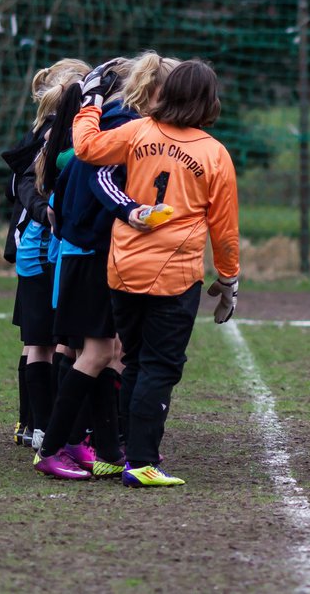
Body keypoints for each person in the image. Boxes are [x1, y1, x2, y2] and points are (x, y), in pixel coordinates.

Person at [72, 59, 240, 487]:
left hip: (123, 266)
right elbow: (224, 229)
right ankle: (142, 460)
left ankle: (123, 450)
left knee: (134, 361)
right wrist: (229, 278)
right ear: (208, 100)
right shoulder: (214, 154)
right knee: (160, 367)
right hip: (175, 274)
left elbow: (86, 148)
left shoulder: (138, 130)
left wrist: (89, 102)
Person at [32, 53, 177, 481]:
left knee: (108, 351)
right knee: (95, 352)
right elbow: (99, 180)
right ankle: (52, 447)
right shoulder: (121, 125)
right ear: (154, 91)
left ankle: (104, 447)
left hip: (92, 251)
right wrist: (134, 212)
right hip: (91, 253)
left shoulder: (118, 121)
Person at [1, 58, 90, 449]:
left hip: (36, 252)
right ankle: (47, 426)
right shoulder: (58, 136)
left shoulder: (42, 132)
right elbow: (26, 190)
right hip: (46, 253)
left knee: (39, 341)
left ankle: (35, 425)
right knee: (54, 342)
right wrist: (47, 213)